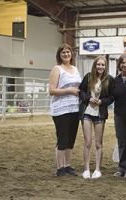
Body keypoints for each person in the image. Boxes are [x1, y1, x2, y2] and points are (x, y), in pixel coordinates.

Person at [79, 55, 114, 179]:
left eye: (102, 65)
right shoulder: (88, 77)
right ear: (95, 65)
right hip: (87, 112)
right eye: (98, 64)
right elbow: (81, 92)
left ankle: (98, 169)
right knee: (87, 142)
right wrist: (89, 98)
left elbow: (111, 97)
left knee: (98, 143)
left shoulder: (109, 79)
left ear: (105, 66)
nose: (100, 67)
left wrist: (102, 102)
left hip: (100, 114)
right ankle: (86, 169)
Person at [49, 43, 81, 177]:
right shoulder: (57, 69)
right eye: (63, 53)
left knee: (71, 138)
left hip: (75, 108)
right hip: (61, 109)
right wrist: (69, 90)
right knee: (62, 138)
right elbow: (52, 90)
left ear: (71, 54)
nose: (66, 54)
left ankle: (67, 165)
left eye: (68, 52)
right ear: (59, 55)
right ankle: (60, 167)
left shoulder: (75, 69)